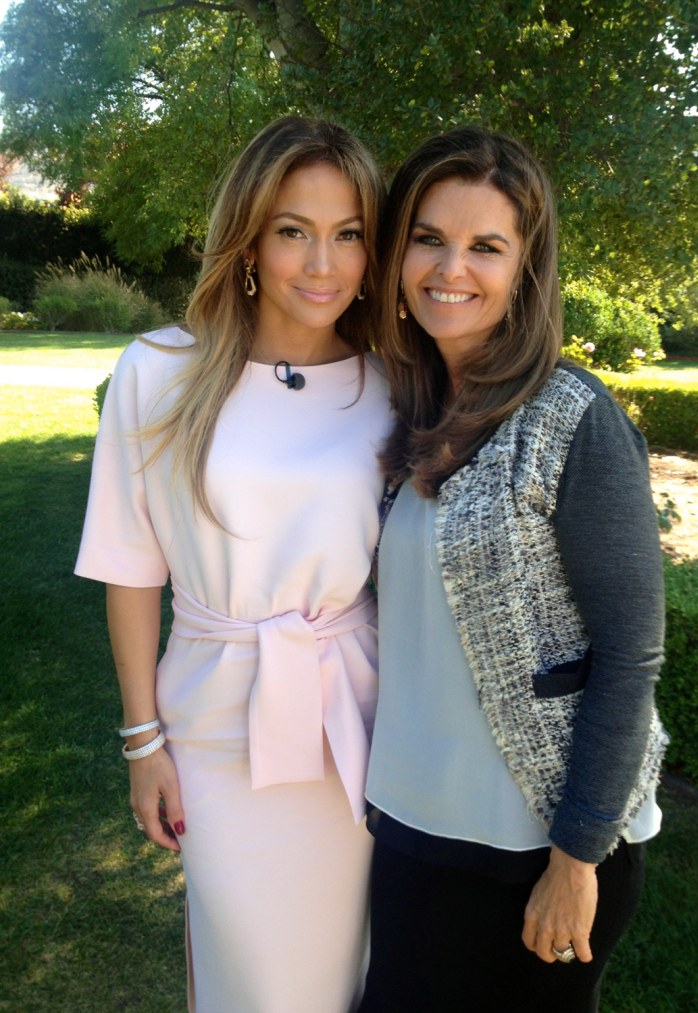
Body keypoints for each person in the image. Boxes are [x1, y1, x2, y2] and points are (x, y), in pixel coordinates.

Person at [75, 116, 391, 1012]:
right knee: (250, 978)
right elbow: (129, 564)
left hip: (355, 731)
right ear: (249, 240)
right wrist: (143, 740)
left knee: (348, 974)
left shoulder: (393, 385)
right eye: (294, 231)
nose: (321, 264)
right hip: (213, 731)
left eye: (349, 234)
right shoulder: (160, 373)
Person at [359, 126, 669, 1013]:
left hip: (539, 847)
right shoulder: (410, 400)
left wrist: (578, 857)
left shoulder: (574, 418)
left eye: (486, 246)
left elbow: (631, 655)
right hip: (416, 825)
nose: (450, 266)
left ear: (525, 268)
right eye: (428, 237)